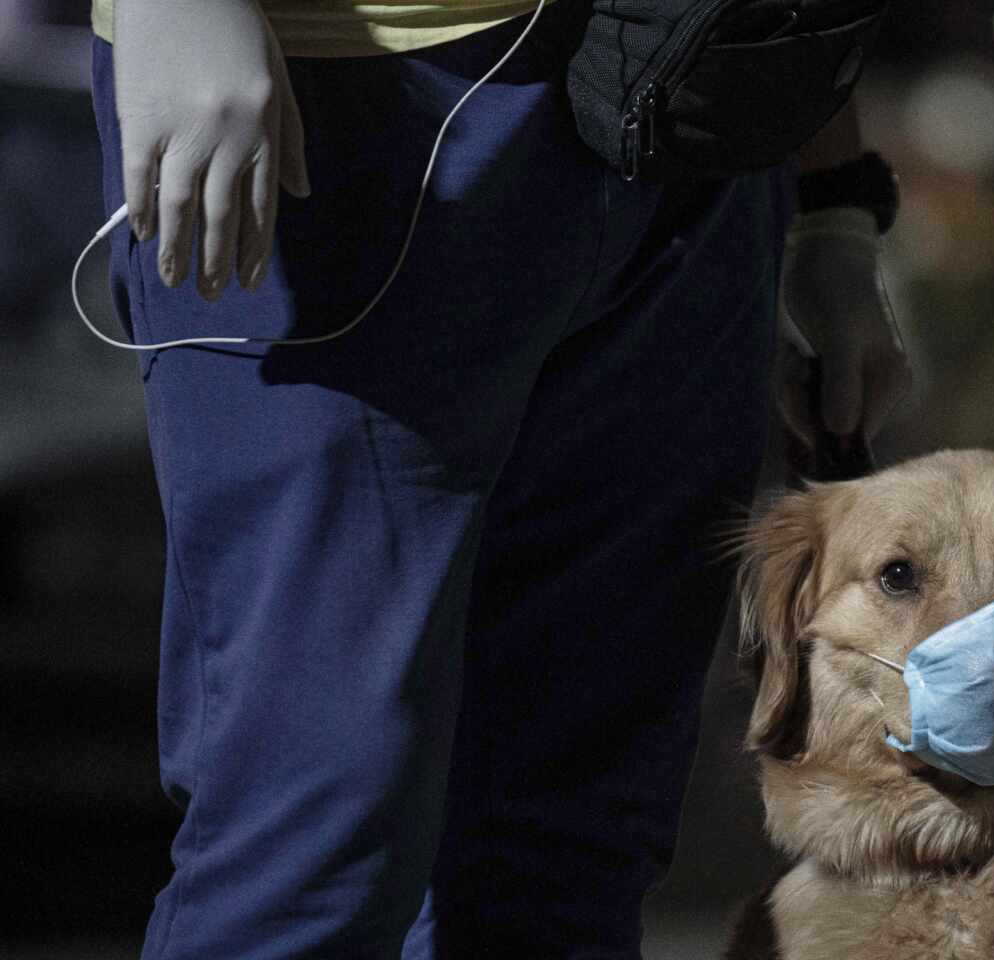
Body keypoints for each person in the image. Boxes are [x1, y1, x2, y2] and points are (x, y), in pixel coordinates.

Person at [89, 0, 909, 955]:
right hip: (363, 95)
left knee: (573, 846)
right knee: (315, 844)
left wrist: (832, 196)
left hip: (697, 98)